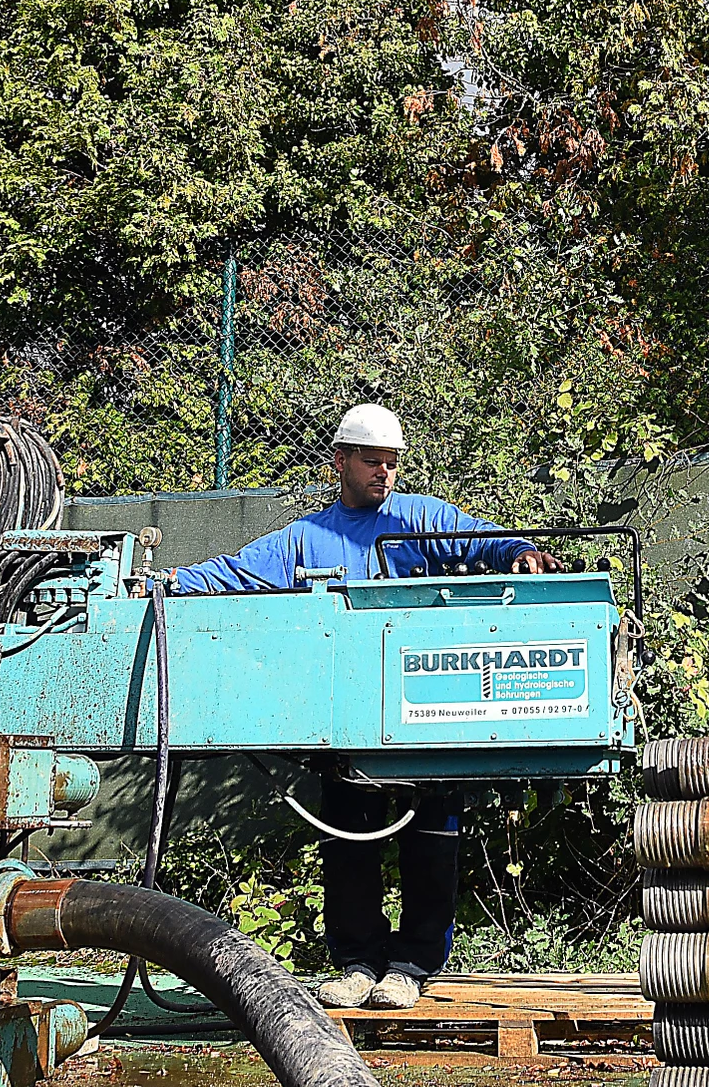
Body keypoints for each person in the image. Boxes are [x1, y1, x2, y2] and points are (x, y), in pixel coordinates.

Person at [151, 402, 560, 1014]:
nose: (384, 473)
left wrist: (519, 552)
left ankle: (413, 966)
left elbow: (490, 541)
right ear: (341, 460)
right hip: (346, 721)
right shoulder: (305, 538)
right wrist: (166, 584)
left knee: (432, 837)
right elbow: (235, 573)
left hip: (425, 716)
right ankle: (357, 963)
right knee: (347, 841)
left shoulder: (423, 519)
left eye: (392, 463)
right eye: (372, 461)